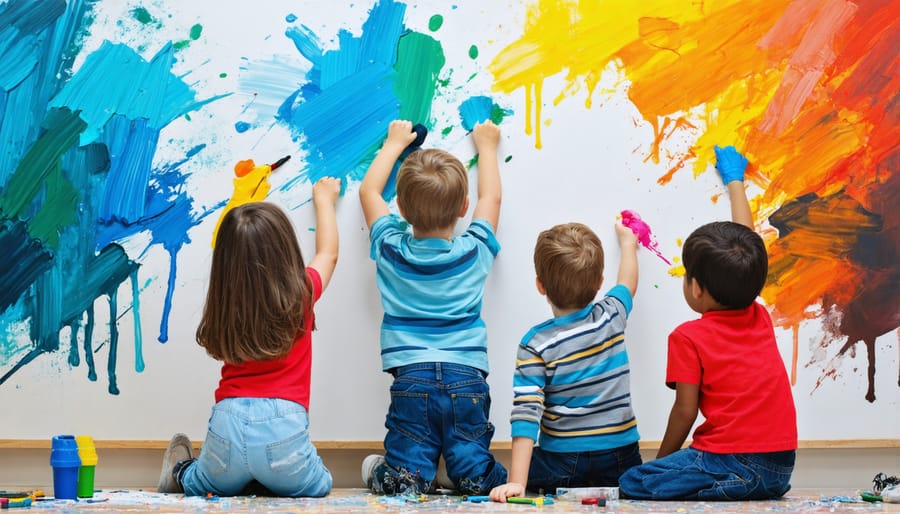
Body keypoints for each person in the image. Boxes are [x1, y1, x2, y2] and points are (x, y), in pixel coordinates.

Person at [618, 146, 797, 500]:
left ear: (696, 288)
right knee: (660, 476)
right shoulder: (758, 315)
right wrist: (735, 182)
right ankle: (738, 486)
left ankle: (727, 485)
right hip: (781, 467)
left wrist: (662, 462)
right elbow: (747, 243)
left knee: (633, 481)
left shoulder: (688, 337)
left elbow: (685, 411)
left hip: (731, 462)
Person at [156, 176, 342, 497]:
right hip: (285, 430)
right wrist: (324, 200)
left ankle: (181, 470)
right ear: (286, 254)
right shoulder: (303, 293)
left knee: (199, 481)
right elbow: (328, 254)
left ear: (225, 267)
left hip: (227, 426)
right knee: (321, 482)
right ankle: (267, 476)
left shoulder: (225, 304)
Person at [358, 119, 508, 495]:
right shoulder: (473, 251)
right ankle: (466, 473)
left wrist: (394, 144)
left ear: (402, 210)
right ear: (463, 208)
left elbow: (369, 192)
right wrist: (487, 148)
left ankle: (410, 474)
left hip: (412, 379)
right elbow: (492, 201)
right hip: (467, 378)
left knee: (406, 482)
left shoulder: (391, 249)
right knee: (477, 476)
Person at [490, 220, 643, 502]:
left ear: (540, 285)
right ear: (599, 283)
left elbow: (526, 413)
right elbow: (627, 283)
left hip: (561, 464)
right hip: (620, 460)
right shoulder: (611, 315)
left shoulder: (535, 343)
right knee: (633, 479)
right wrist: (628, 245)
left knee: (493, 474)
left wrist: (517, 483)